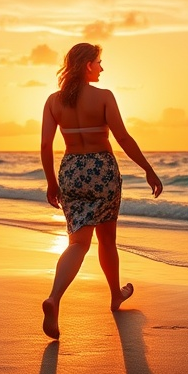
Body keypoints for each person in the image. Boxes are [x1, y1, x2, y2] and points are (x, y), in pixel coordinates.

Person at [40, 42, 163, 340]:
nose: (102, 68)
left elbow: (45, 146)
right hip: (102, 172)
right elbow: (122, 137)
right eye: (99, 62)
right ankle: (115, 296)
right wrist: (148, 168)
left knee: (78, 244)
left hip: (70, 172)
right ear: (87, 65)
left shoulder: (54, 101)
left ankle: (55, 298)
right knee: (107, 240)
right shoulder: (104, 97)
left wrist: (51, 183)